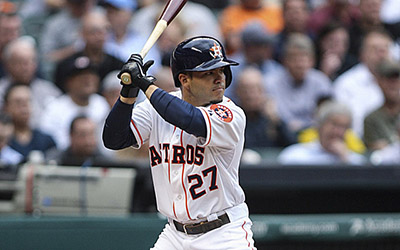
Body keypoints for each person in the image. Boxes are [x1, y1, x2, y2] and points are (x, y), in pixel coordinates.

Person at [103, 36, 256, 249]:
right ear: (184, 80)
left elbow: (189, 119)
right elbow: (114, 139)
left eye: (221, 70)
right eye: (208, 73)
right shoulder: (155, 108)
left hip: (222, 232)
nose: (219, 78)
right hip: (174, 235)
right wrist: (128, 92)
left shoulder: (231, 114)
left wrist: (145, 84)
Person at [265, 33, 332, 135]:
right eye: (294, 58)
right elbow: (273, 116)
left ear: (312, 60)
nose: (300, 63)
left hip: (314, 136)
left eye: (304, 58)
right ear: (285, 60)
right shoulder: (270, 83)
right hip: (281, 136)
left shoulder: (321, 82)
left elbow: (326, 115)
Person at [40, 56, 110, 151]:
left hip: (98, 160)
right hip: (64, 161)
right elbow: (49, 145)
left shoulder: (102, 104)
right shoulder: (54, 108)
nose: (88, 80)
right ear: (69, 82)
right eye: (81, 76)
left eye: (91, 75)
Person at [333, 29, 395, 136]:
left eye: (385, 49)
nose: (382, 54)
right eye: (375, 49)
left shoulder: (397, 80)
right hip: (359, 146)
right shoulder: (345, 84)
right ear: (362, 53)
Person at [54, 9, 124, 92]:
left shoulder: (118, 65)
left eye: (104, 31)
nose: (99, 36)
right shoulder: (67, 66)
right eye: (94, 31)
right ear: (82, 33)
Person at [278, 100, 366, 165]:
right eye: (334, 125)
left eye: (343, 127)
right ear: (320, 125)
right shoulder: (294, 156)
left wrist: (345, 158)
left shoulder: (355, 161)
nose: (338, 132)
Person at [0, 37, 62, 127]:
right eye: (20, 62)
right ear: (7, 64)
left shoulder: (49, 91)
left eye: (30, 62)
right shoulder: (1, 90)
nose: (25, 67)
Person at [235, 66, 296, 149]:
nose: (250, 95)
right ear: (237, 92)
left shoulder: (270, 117)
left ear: (263, 91)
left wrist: (275, 120)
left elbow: (293, 145)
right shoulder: (234, 117)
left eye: (255, 89)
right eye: (245, 90)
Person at [225, 21, 284, 103]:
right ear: (248, 47)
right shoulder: (231, 68)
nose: (266, 49)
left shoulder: (275, 68)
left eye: (267, 45)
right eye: (261, 45)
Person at [3, 84, 57, 161]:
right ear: (6, 106)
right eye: (18, 102)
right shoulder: (3, 141)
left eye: (28, 101)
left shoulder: (46, 140)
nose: (24, 106)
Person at [219, 0, 283, 55]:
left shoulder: (274, 12)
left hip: (270, 58)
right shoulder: (230, 13)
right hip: (238, 59)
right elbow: (233, 43)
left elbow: (278, 40)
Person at [363, 59, 400, 150]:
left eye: (397, 78)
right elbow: (376, 153)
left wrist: (388, 146)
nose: (393, 84)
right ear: (379, 82)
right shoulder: (371, 119)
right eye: (388, 79)